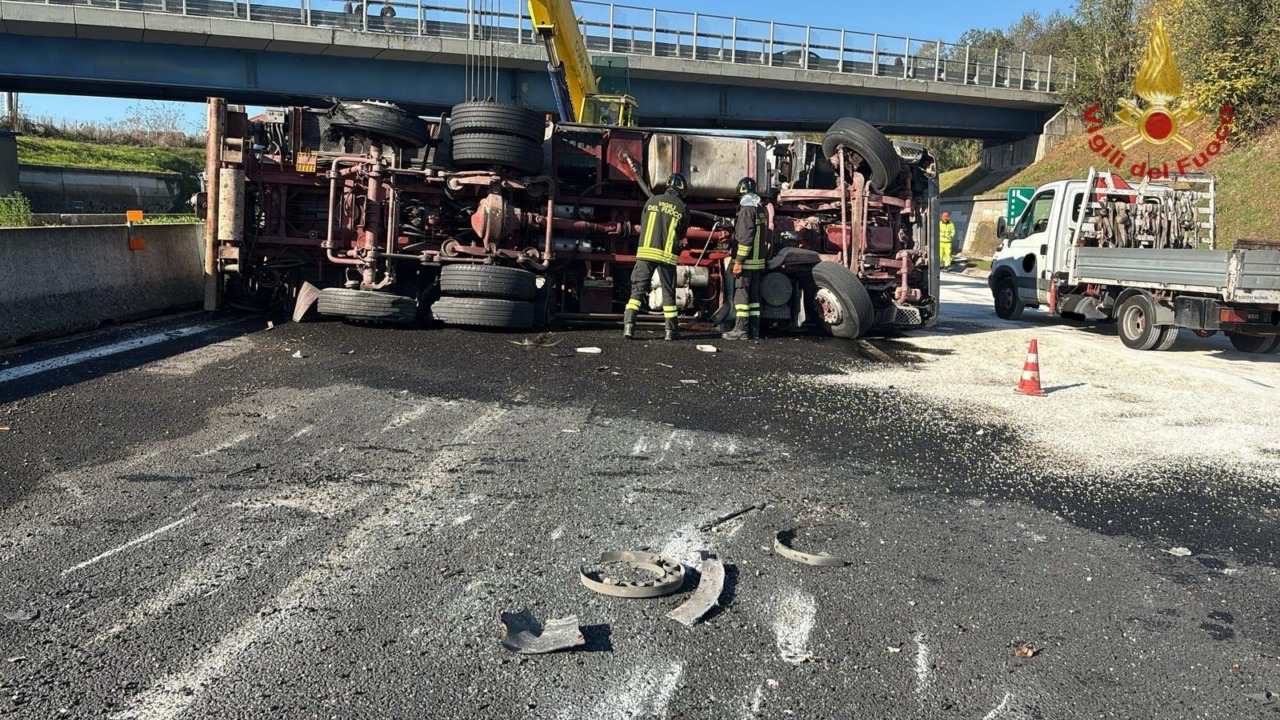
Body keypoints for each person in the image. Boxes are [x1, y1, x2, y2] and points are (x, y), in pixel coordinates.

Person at [624, 173, 690, 341]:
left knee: (637, 290)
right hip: (666, 255)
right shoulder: (682, 207)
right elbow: (681, 233)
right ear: (682, 189)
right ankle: (670, 331)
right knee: (668, 293)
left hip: (645, 252)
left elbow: (644, 222)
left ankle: (629, 327)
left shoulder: (651, 201)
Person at [722, 176, 766, 340]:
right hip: (758, 263)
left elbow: (745, 238)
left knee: (742, 296)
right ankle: (754, 330)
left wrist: (739, 260)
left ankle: (740, 329)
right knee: (754, 299)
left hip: (746, 263)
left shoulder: (746, 210)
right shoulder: (760, 209)